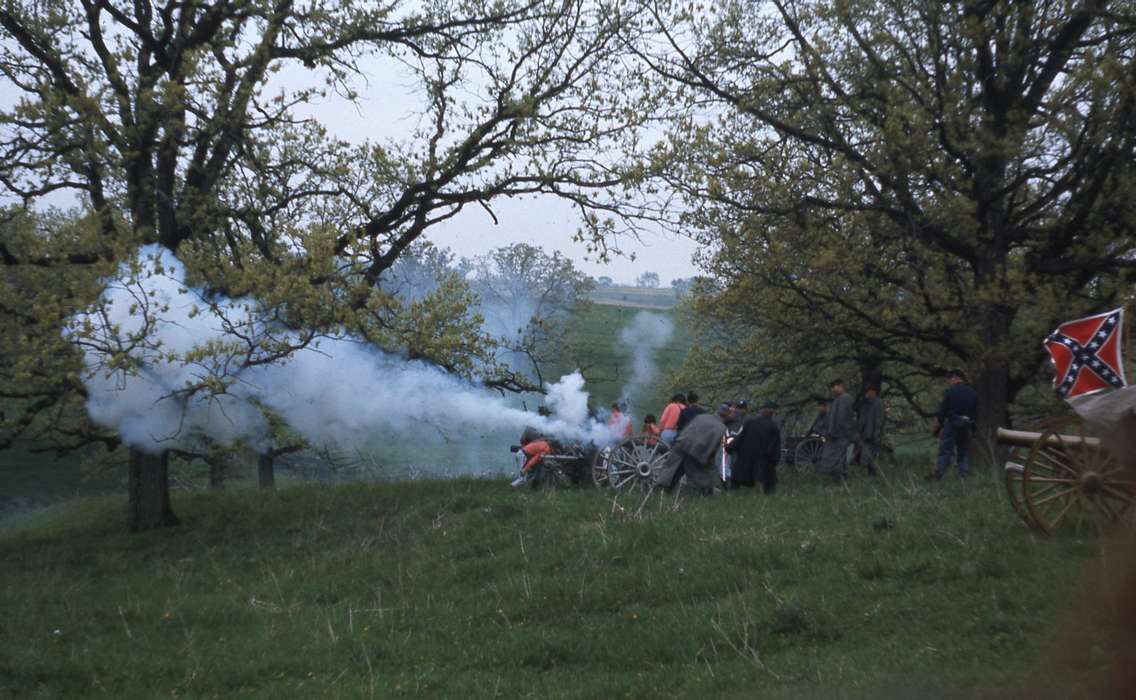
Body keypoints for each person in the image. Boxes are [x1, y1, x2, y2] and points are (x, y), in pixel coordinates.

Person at [654, 411, 727, 495]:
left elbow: (686, 428)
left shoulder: (701, 416)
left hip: (682, 443)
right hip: (697, 451)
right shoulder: (721, 428)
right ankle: (703, 493)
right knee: (700, 475)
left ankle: (662, 490)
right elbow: (712, 447)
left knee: (672, 470)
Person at [931, 369, 978, 480]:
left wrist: (939, 425)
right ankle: (964, 475)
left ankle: (939, 474)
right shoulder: (973, 393)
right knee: (963, 452)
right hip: (966, 424)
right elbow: (975, 412)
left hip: (952, 423)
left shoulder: (950, 391)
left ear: (955, 377)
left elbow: (943, 410)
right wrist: (973, 427)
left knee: (945, 451)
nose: (949, 381)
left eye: (950, 378)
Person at [727, 401, 782, 493]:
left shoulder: (751, 422)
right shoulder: (773, 427)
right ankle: (769, 496)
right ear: (772, 413)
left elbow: (740, 438)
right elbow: (775, 447)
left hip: (746, 457)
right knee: (769, 480)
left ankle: (732, 494)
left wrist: (730, 448)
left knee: (737, 479)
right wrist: (774, 460)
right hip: (763, 459)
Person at [818, 379, 855, 483]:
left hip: (841, 434)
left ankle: (839, 479)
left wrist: (833, 433)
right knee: (838, 456)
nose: (832, 390)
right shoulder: (839, 399)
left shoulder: (845, 399)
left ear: (840, 386)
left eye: (834, 387)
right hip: (838, 434)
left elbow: (841, 419)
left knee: (838, 456)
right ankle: (840, 478)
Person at [856, 385, 886, 476]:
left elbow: (879, 421)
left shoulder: (879, 403)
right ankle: (871, 473)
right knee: (865, 455)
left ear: (874, 392)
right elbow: (862, 418)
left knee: (870, 455)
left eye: (870, 391)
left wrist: (876, 435)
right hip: (865, 434)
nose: (868, 392)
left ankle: (872, 474)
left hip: (872, 435)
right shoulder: (865, 403)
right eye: (868, 391)